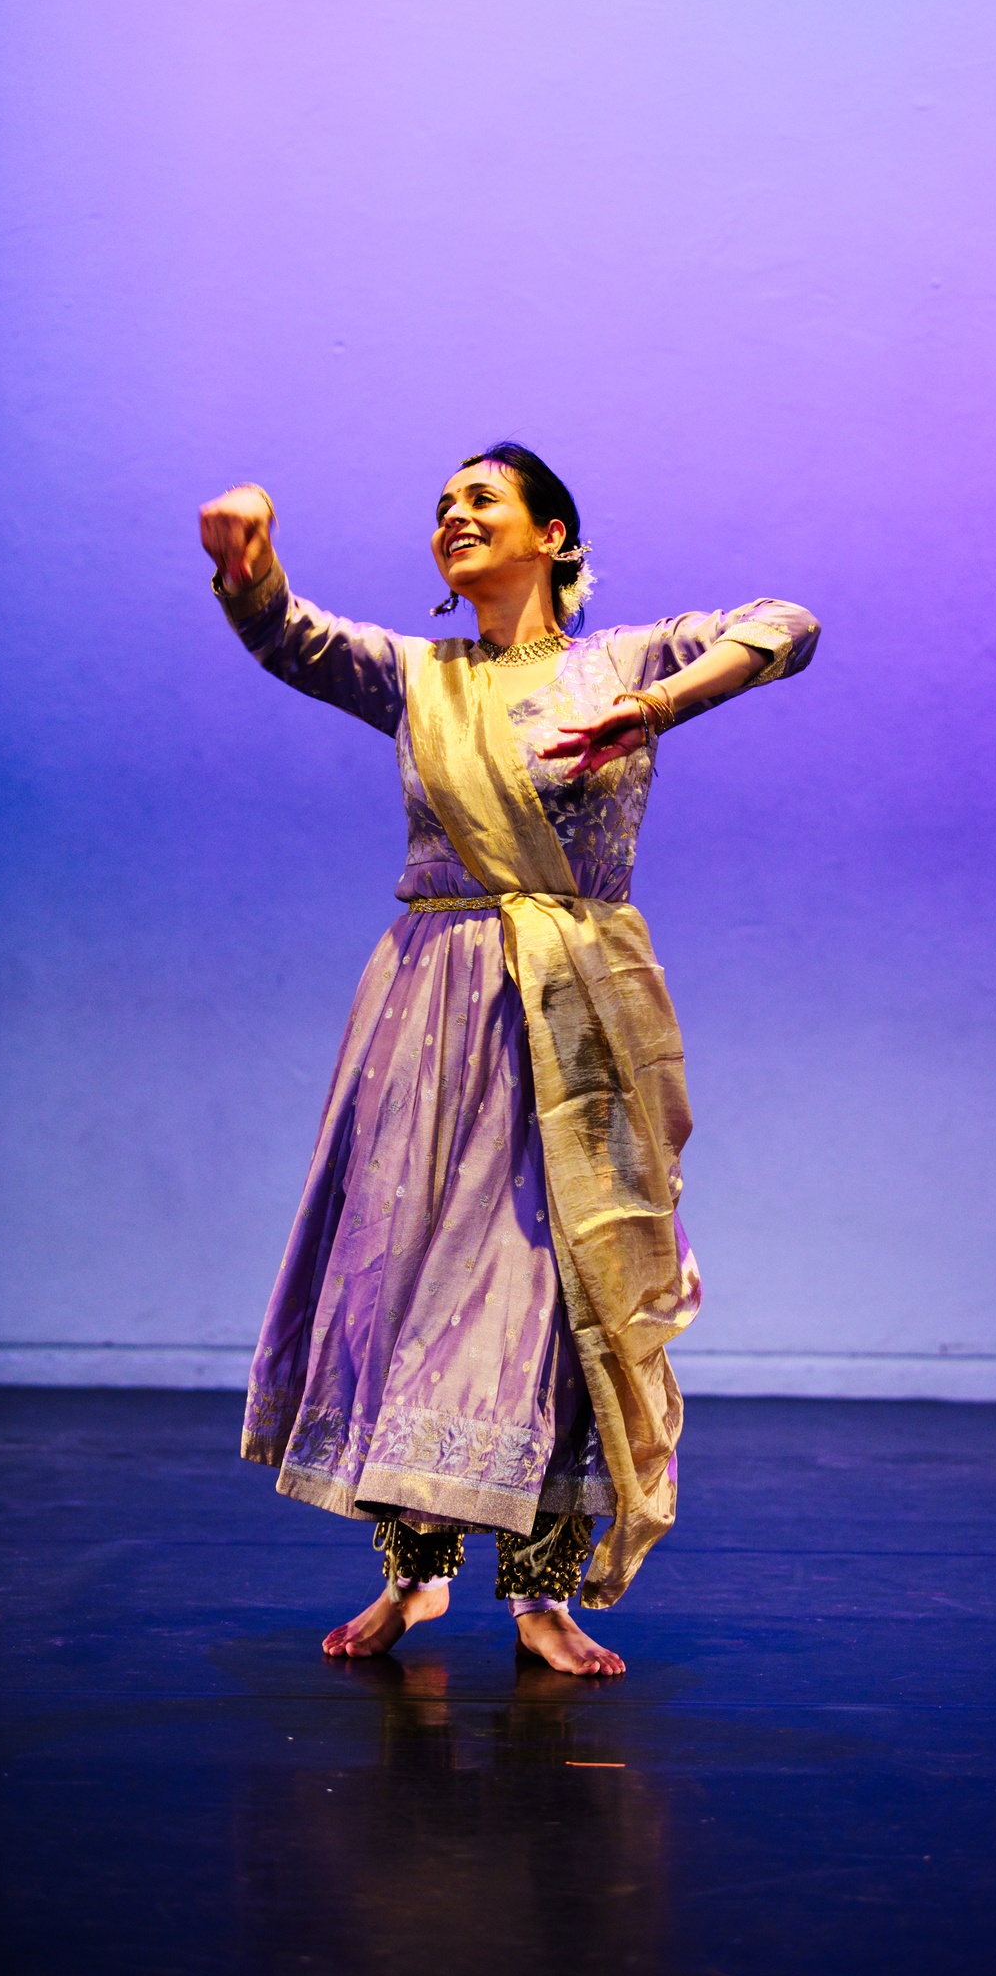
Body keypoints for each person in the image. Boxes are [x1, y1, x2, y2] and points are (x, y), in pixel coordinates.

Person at [200, 443, 818, 1676]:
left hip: (574, 1006)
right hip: (433, 1001)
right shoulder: (417, 675)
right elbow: (287, 637)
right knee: (409, 1271)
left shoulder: (626, 657)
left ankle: (542, 1593)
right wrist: (246, 564)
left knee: (564, 1280)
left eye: (482, 499)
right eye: (442, 507)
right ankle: (413, 1574)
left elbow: (784, 625)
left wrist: (657, 707)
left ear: (554, 535)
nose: (455, 516)